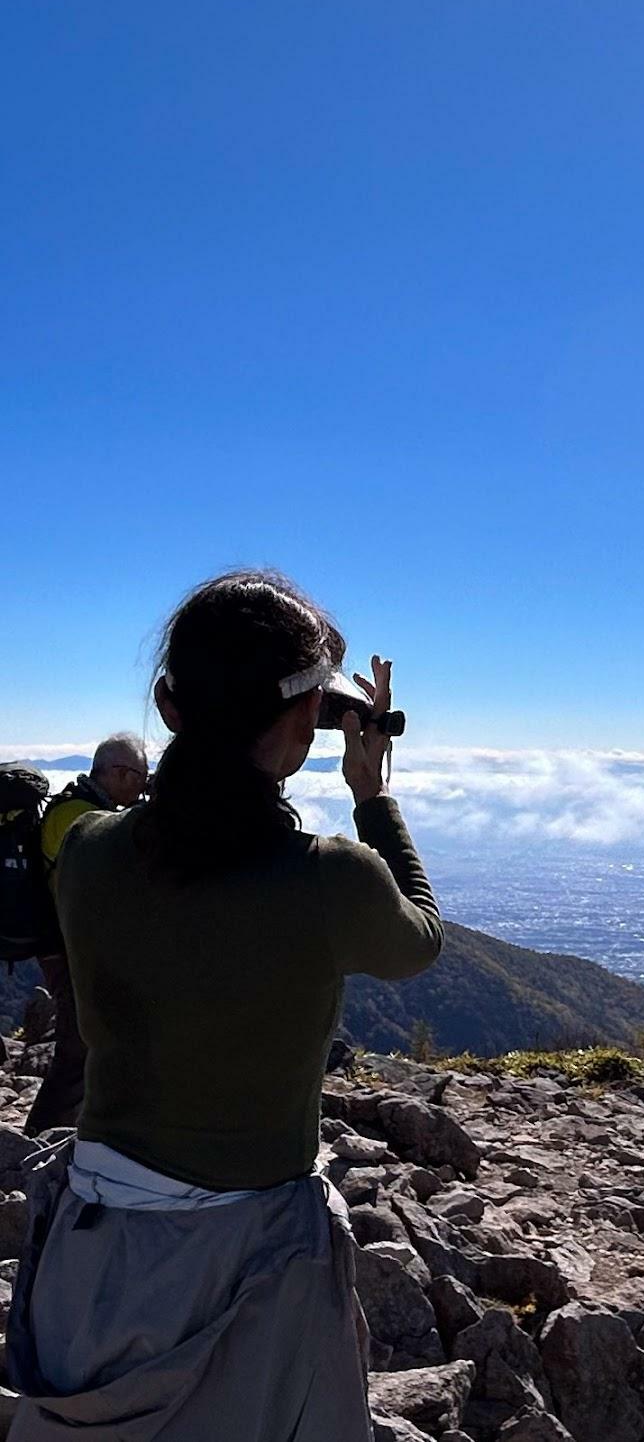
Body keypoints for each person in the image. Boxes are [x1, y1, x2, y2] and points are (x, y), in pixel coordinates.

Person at [5, 570, 443, 1442]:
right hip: (252, 1261)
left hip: (88, 1247)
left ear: (168, 704)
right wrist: (372, 796)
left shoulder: (88, 853)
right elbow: (418, 940)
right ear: (301, 722)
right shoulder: (328, 879)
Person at [25, 735, 150, 1136]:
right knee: (78, 1047)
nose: (142, 787)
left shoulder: (81, 810)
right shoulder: (80, 818)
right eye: (139, 777)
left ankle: (83, 1129)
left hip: (72, 948)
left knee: (94, 1042)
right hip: (67, 951)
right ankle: (38, 1138)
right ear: (116, 773)